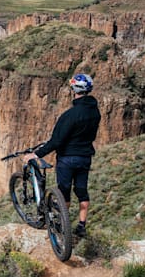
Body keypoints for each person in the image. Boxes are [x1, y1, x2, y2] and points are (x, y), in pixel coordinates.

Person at [23, 73, 101, 239]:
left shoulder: (69, 115)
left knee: (64, 192)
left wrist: (36, 154)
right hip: (85, 157)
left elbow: (57, 141)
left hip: (67, 158)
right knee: (82, 191)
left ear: (74, 89)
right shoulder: (95, 112)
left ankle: (62, 224)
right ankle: (81, 226)